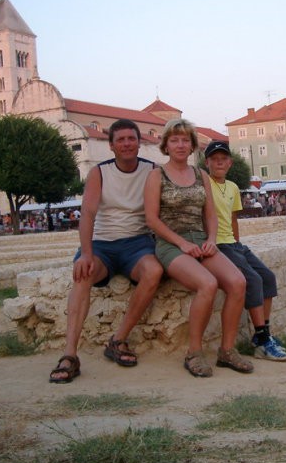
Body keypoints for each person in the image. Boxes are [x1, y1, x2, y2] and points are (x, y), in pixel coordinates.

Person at [49, 119, 164, 384]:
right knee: (82, 275)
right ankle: (70, 355)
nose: (126, 144)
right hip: (102, 244)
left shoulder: (152, 171)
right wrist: (86, 253)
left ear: (139, 142)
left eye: (131, 139)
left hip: (137, 243)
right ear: (111, 145)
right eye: (121, 139)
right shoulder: (99, 173)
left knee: (154, 271)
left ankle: (118, 339)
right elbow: (87, 214)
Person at [144, 118, 252, 378]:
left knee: (238, 281)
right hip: (171, 244)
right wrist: (181, 243)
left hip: (201, 239)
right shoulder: (156, 176)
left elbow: (211, 214)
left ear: (192, 146)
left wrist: (211, 239)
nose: (181, 145)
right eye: (175, 140)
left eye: (185, 140)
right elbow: (151, 219)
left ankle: (226, 351)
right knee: (207, 284)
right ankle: (194, 352)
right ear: (166, 145)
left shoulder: (201, 175)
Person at [204, 141, 286, 361]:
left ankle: (263, 334)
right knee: (252, 279)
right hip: (219, 244)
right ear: (207, 163)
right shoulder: (204, 184)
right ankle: (262, 339)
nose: (219, 162)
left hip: (233, 244)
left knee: (268, 278)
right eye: (214, 159)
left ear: (230, 163)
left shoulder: (232, 187)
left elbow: (233, 218)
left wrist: (239, 245)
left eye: (223, 159)